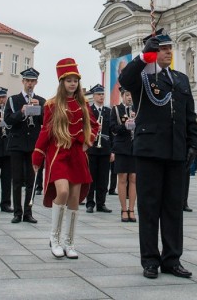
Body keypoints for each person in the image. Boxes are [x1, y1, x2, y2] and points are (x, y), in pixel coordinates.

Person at [119, 29, 197, 280]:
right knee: (150, 206)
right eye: (162, 49)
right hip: (150, 150)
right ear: (154, 52)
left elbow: (189, 116)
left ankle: (172, 259)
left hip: (176, 150)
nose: (167, 52)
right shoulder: (142, 77)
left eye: (169, 48)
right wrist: (144, 57)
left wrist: (192, 144)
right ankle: (150, 260)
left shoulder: (180, 79)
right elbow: (124, 79)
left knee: (173, 207)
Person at [32, 58, 98, 259]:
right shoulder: (52, 104)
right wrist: (37, 155)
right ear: (61, 82)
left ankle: (69, 243)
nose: (72, 84)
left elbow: (94, 125)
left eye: (75, 80)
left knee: (74, 199)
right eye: (68, 80)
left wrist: (88, 140)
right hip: (58, 152)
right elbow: (45, 130)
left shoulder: (84, 103)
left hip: (77, 154)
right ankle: (55, 238)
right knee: (61, 191)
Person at [5, 67, 46, 224]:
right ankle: (17, 212)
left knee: (31, 181)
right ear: (23, 82)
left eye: (32, 81)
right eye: (27, 81)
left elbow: (45, 122)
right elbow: (8, 121)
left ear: (36, 82)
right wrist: (22, 112)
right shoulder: (13, 100)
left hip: (33, 145)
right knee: (16, 180)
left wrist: (40, 109)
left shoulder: (41, 100)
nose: (30, 84)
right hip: (16, 143)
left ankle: (28, 212)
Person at [110, 88, 137, 222]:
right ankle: (123, 209)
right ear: (122, 96)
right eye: (127, 95)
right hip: (121, 147)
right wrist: (125, 125)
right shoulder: (116, 109)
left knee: (133, 178)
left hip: (135, 148)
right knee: (122, 178)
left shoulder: (137, 109)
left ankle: (132, 209)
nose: (129, 97)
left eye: (131, 95)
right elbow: (113, 128)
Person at [85, 84, 113, 214]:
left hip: (105, 148)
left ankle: (101, 203)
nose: (101, 96)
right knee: (91, 177)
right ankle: (90, 203)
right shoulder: (88, 111)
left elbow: (112, 132)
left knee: (103, 178)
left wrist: (112, 150)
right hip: (92, 148)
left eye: (102, 94)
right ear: (94, 96)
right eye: (99, 94)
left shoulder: (108, 111)